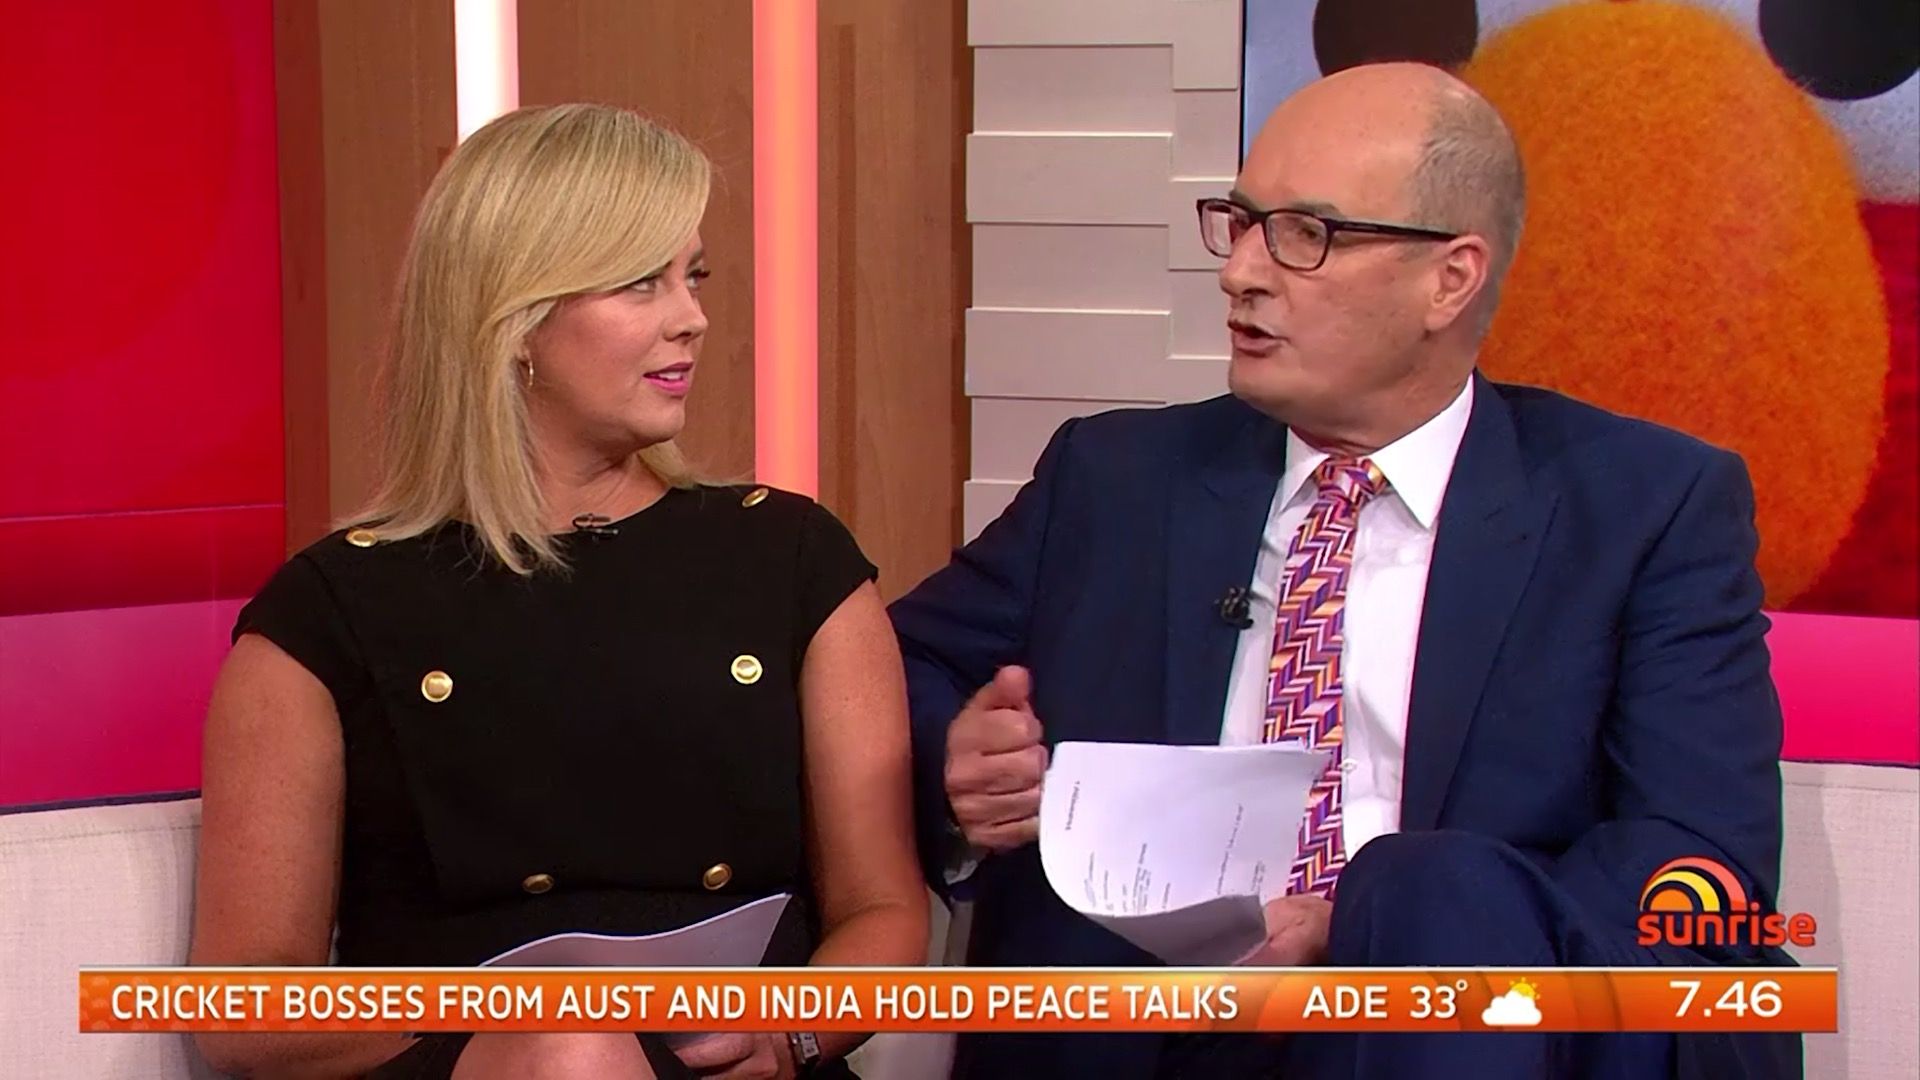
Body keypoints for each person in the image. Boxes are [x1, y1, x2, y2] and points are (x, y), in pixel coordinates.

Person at [892, 63, 1799, 1079]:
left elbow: (1697, 860)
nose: (1242, 271)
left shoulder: (1643, 510)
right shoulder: (1112, 479)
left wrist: (1381, 927)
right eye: (1240, 223)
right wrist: (955, 759)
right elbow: (892, 671)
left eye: (1304, 233)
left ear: (1450, 279)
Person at [189, 103, 928, 1080]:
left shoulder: (793, 558)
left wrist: (790, 1034)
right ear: (515, 320)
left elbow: (884, 911)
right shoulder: (330, 611)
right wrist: (523, 1030)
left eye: (693, 277)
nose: (692, 317)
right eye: (641, 281)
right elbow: (239, 1009)